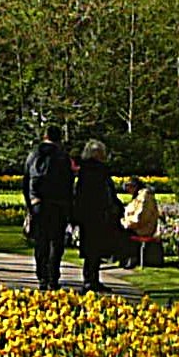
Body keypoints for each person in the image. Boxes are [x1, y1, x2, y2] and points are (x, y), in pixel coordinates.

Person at [23, 125, 75, 290]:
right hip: (58, 204)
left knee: (41, 242)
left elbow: (26, 181)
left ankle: (42, 276)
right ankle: (53, 277)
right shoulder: (62, 157)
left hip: (38, 203)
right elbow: (68, 184)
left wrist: (29, 204)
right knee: (56, 242)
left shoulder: (33, 155)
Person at [73, 139, 124, 292]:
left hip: (89, 216)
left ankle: (91, 279)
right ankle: (90, 281)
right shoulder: (96, 172)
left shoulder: (86, 171)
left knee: (92, 251)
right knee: (93, 250)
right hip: (96, 215)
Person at [123, 175, 163, 268]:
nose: (128, 190)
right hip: (137, 225)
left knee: (122, 232)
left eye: (129, 187)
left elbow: (141, 217)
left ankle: (131, 257)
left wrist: (126, 223)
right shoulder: (137, 196)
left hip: (144, 228)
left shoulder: (145, 197)